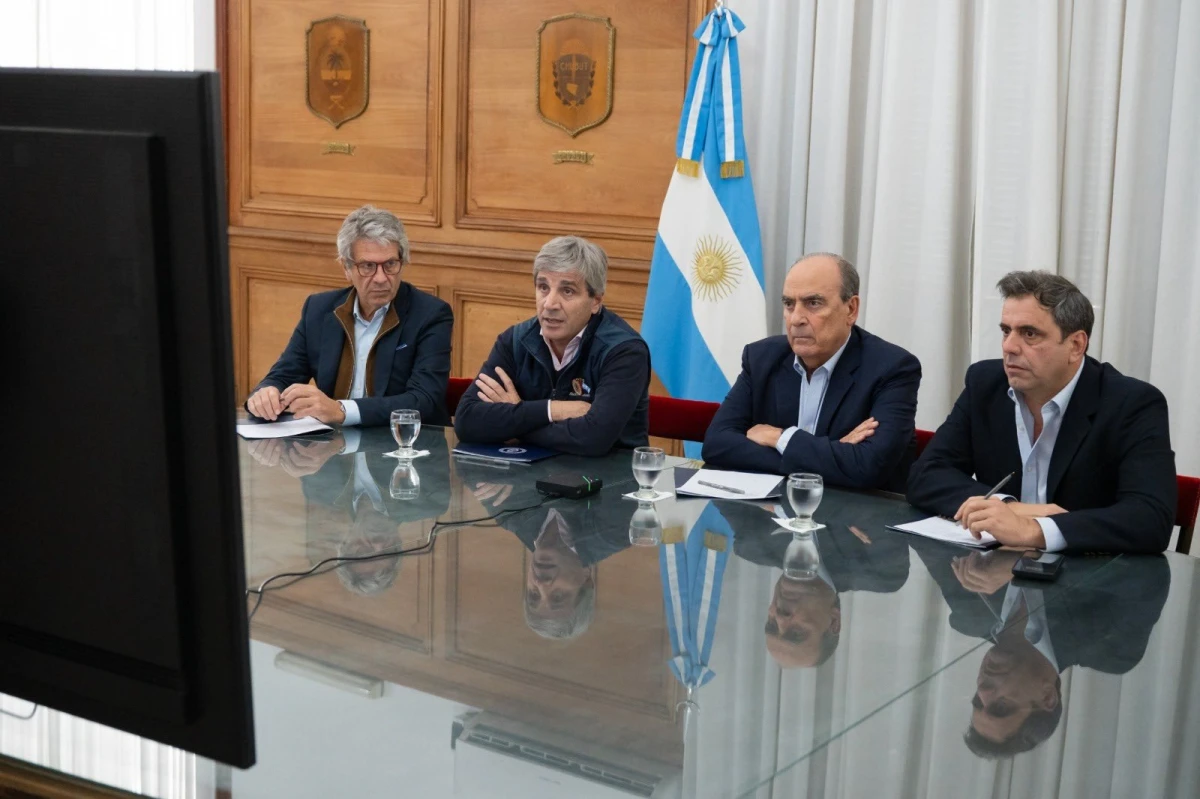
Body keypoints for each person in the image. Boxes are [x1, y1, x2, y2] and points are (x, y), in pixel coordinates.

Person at [907, 271, 1177, 553]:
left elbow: (1150, 518)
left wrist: (1034, 530)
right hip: (994, 577)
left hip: (1087, 582)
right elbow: (926, 474)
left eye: (1029, 333)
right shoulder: (985, 383)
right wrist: (1009, 507)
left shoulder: (1132, 403)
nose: (1009, 347)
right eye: (1005, 330)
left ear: (1076, 345)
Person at [908, 541, 1168, 758]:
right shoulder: (1111, 650)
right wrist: (1026, 566)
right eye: (1001, 706)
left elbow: (928, 539)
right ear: (1048, 698)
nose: (984, 690)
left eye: (978, 701)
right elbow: (1150, 576)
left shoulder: (969, 613)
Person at [701, 253, 922, 491]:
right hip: (772, 514)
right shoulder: (761, 358)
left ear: (851, 309)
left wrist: (781, 438)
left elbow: (867, 467)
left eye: (813, 303)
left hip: (856, 519)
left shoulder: (892, 368)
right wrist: (832, 453)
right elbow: (717, 444)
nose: (796, 319)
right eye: (789, 304)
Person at [245, 205, 454, 427]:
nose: (381, 278)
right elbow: (284, 375)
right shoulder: (319, 309)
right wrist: (265, 393)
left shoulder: (431, 314)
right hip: (334, 448)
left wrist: (342, 411)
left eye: (390, 264)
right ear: (346, 267)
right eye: (368, 266)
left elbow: (423, 400)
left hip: (405, 447)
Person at [453, 236, 651, 456]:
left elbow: (594, 438)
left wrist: (516, 417)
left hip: (607, 480)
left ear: (595, 301)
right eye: (543, 287)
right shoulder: (514, 340)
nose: (550, 304)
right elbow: (467, 421)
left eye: (567, 291)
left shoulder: (624, 351)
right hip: (528, 477)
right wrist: (552, 410)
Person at [725, 492, 913, 668]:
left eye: (771, 625)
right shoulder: (883, 573)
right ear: (834, 622)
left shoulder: (752, 546)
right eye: (796, 633)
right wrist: (784, 508)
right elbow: (875, 508)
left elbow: (722, 476)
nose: (780, 618)